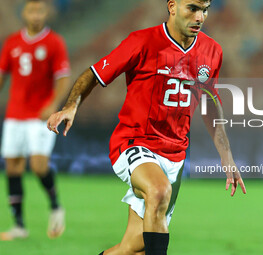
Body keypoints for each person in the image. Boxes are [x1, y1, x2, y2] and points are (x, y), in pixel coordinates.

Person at [48, 0, 246, 254]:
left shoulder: (212, 51)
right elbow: (94, 73)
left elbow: (209, 104)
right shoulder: (143, 41)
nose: (200, 17)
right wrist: (71, 106)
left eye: (205, 9)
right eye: (193, 8)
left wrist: (226, 155)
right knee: (158, 190)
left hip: (175, 154)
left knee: (133, 248)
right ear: (172, 6)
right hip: (134, 142)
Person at [0, 0, 70, 240]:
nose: (36, 15)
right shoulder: (12, 42)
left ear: (46, 13)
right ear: (25, 13)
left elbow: (63, 78)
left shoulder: (54, 42)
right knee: (13, 167)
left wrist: (52, 104)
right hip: (14, 115)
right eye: (32, 10)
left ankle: (55, 206)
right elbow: (2, 75)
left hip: (39, 115)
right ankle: (19, 226)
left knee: (39, 165)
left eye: (40, 10)